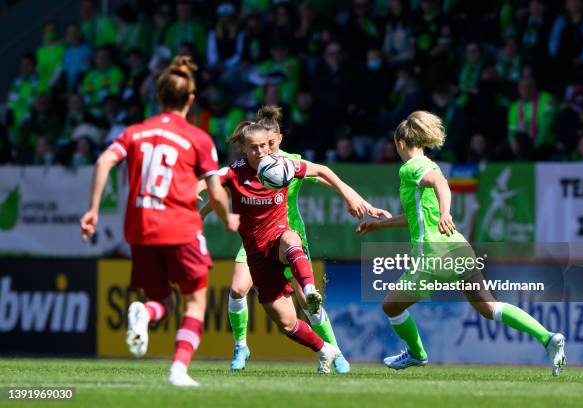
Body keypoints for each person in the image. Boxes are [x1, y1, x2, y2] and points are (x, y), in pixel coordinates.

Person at [356, 111, 566, 376]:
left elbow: (440, 184)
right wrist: (380, 224)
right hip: (457, 247)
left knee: (391, 305)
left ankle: (417, 355)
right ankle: (548, 338)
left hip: (434, 254)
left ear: (400, 143)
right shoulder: (429, 165)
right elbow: (417, 215)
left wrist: (445, 212)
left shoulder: (411, 167)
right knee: (489, 307)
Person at [80, 56, 239, 386]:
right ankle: (178, 370)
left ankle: (146, 312)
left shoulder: (135, 132)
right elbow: (215, 191)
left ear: (158, 97)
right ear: (191, 100)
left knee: (162, 301)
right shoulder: (198, 138)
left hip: (139, 229)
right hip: (179, 226)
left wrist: (93, 210)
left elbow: (102, 162)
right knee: (195, 301)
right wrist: (227, 218)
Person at [212, 106, 390, 372]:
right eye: (261, 145)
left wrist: (360, 200)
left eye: (270, 144)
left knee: (307, 300)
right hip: (255, 236)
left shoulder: (286, 163)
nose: (266, 151)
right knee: (238, 288)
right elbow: (222, 188)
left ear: (279, 139)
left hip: (287, 233)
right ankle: (241, 346)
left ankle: (336, 354)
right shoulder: (245, 167)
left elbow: (325, 178)